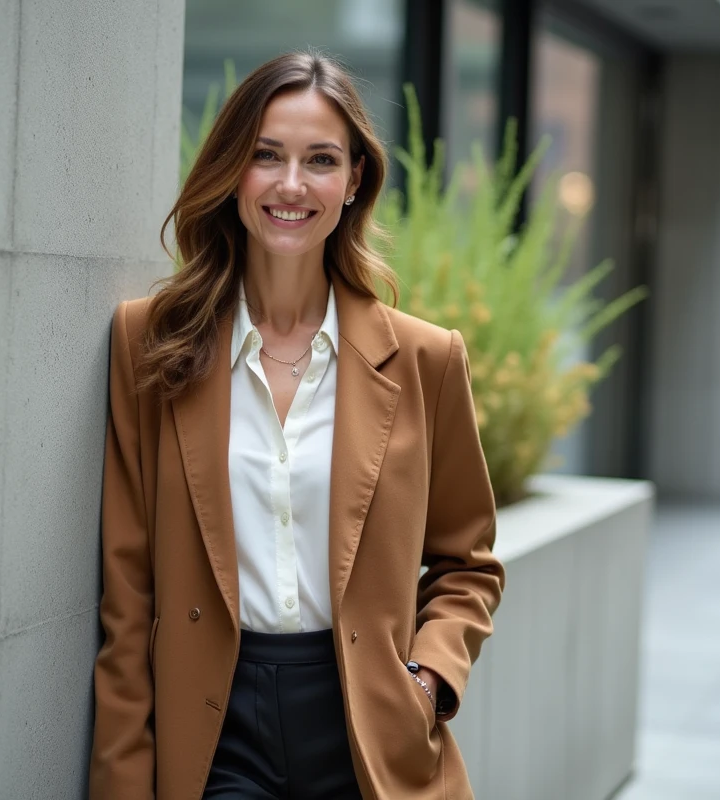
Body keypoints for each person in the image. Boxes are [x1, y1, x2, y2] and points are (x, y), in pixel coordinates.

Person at [89, 51, 505, 800]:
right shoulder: (148, 343)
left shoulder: (425, 360)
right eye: (266, 156)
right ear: (232, 172)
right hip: (215, 728)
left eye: (320, 160)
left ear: (353, 183)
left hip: (369, 726)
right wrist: (121, 779)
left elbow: (467, 561)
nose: (290, 184)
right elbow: (128, 596)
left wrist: (430, 681)